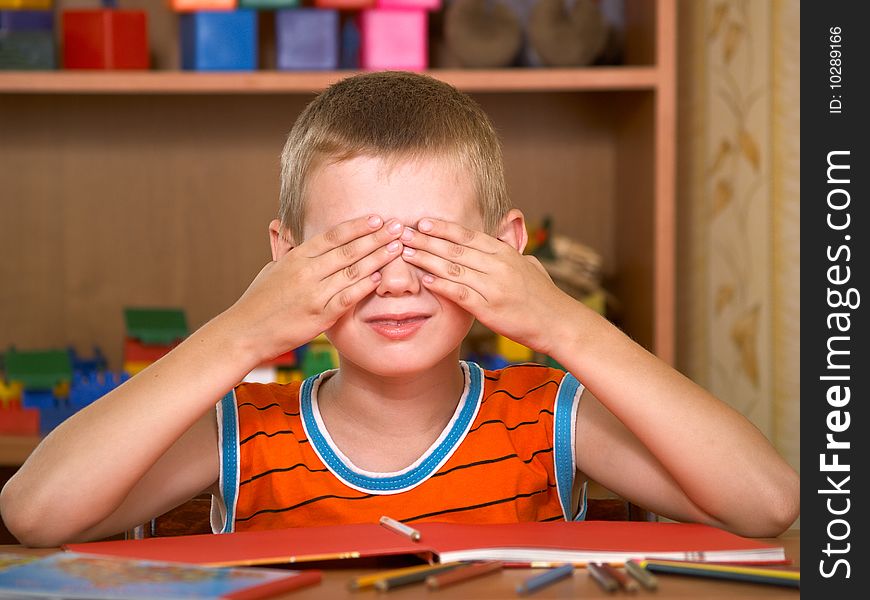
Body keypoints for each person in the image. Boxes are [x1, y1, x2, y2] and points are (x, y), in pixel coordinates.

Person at [0, 72, 799, 547]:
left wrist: (557, 320)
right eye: (357, 251)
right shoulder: (249, 431)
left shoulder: (549, 420)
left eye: (433, 247)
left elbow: (767, 504)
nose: (396, 283)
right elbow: (35, 513)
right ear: (286, 257)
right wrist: (243, 329)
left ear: (506, 248)